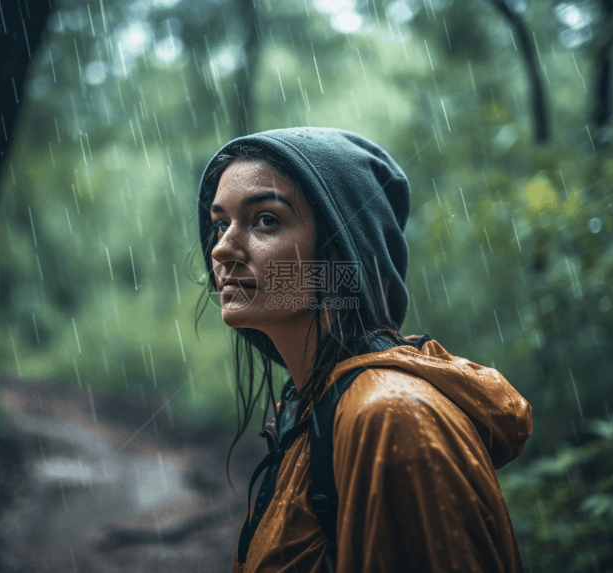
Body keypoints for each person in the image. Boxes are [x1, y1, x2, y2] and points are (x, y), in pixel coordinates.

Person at [194, 127, 532, 572]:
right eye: (221, 223)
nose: (222, 248)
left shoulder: (390, 416)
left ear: (342, 255)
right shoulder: (310, 411)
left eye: (265, 220)